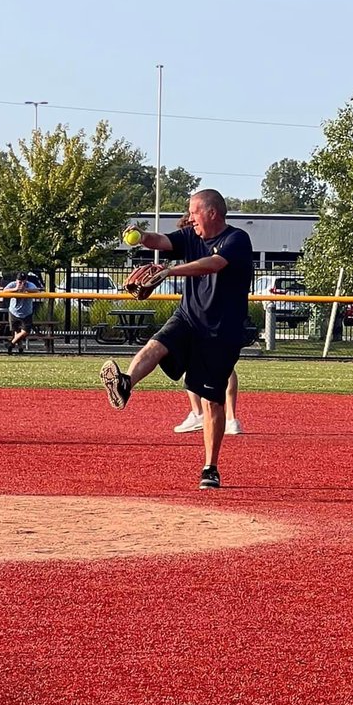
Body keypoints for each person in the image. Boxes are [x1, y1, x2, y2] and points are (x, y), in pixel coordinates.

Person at [100, 189, 254, 490]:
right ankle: (125, 383)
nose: (189, 217)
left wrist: (169, 271)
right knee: (156, 344)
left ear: (211, 213)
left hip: (220, 332)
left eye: (194, 211)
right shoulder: (190, 236)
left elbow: (212, 264)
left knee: (212, 402)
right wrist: (142, 236)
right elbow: (163, 241)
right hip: (188, 317)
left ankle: (210, 467)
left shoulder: (236, 239)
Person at [169, 213, 243, 436]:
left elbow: (212, 268)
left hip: (212, 320)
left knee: (200, 369)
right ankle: (228, 418)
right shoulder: (219, 243)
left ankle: (201, 414)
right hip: (223, 320)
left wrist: (168, 270)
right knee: (225, 370)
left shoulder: (226, 243)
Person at [6, 269, 40, 355]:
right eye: (19, 281)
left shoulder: (30, 285)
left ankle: (11, 343)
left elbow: (36, 290)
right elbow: (4, 291)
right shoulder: (13, 284)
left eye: (23, 281)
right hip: (14, 311)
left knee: (25, 332)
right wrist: (16, 289)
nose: (21, 284)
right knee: (16, 331)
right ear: (16, 280)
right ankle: (20, 349)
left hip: (26, 313)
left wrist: (26, 289)